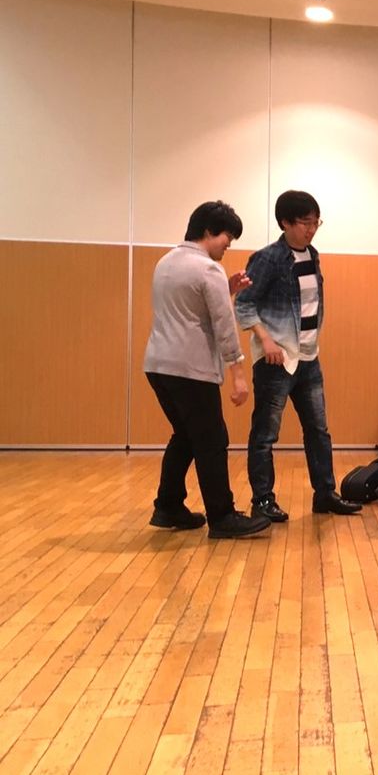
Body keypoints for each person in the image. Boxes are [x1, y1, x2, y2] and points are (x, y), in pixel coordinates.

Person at [142, 200, 271, 539]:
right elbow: (223, 324)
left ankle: (168, 506)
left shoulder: (167, 262)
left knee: (186, 436)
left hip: (158, 365)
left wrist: (226, 290)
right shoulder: (207, 269)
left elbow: (190, 306)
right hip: (190, 369)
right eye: (227, 238)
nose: (228, 246)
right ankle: (222, 516)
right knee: (212, 439)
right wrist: (238, 374)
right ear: (210, 231)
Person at [234, 191, 361, 519]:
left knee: (318, 430)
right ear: (285, 223)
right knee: (265, 434)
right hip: (276, 361)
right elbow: (244, 304)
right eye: (305, 223)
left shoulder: (313, 255)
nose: (311, 229)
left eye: (316, 222)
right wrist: (266, 340)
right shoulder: (268, 259)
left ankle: (325, 494)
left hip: (308, 358)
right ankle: (263, 500)